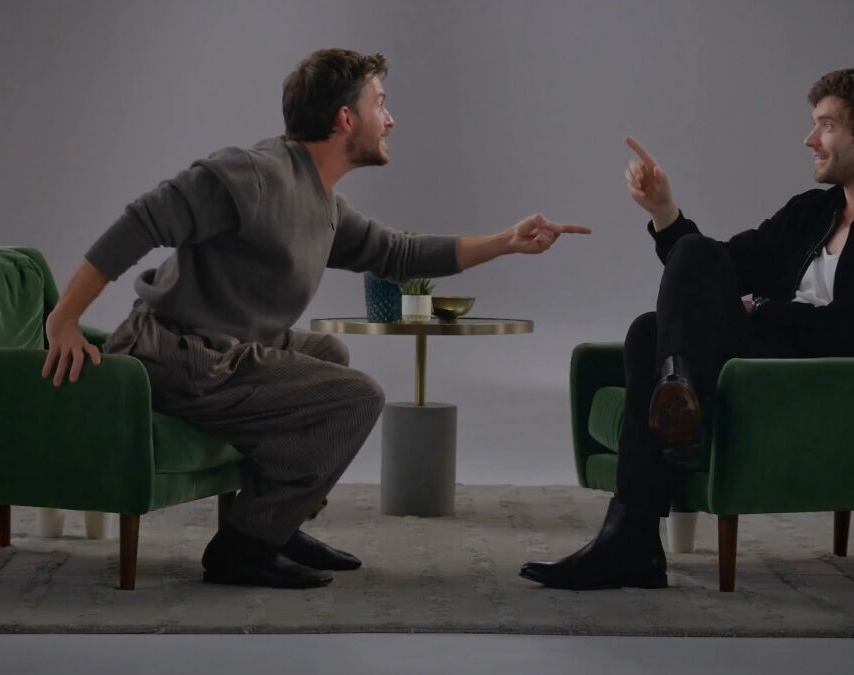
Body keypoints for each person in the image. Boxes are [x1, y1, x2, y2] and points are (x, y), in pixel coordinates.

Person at [40, 48, 590, 589]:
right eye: (381, 104)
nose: (391, 118)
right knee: (356, 396)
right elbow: (140, 221)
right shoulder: (251, 175)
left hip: (222, 347)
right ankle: (243, 547)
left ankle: (276, 523)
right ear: (345, 118)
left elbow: (397, 255)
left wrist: (506, 242)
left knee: (330, 355)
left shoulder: (320, 198)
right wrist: (64, 320)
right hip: (176, 352)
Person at [520, 68, 854, 591]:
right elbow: (714, 270)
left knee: (649, 334)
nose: (809, 139)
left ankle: (635, 527)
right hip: (765, 359)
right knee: (655, 316)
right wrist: (665, 212)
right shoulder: (812, 211)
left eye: (826, 126)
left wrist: (763, 312)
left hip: (825, 376)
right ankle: (671, 412)